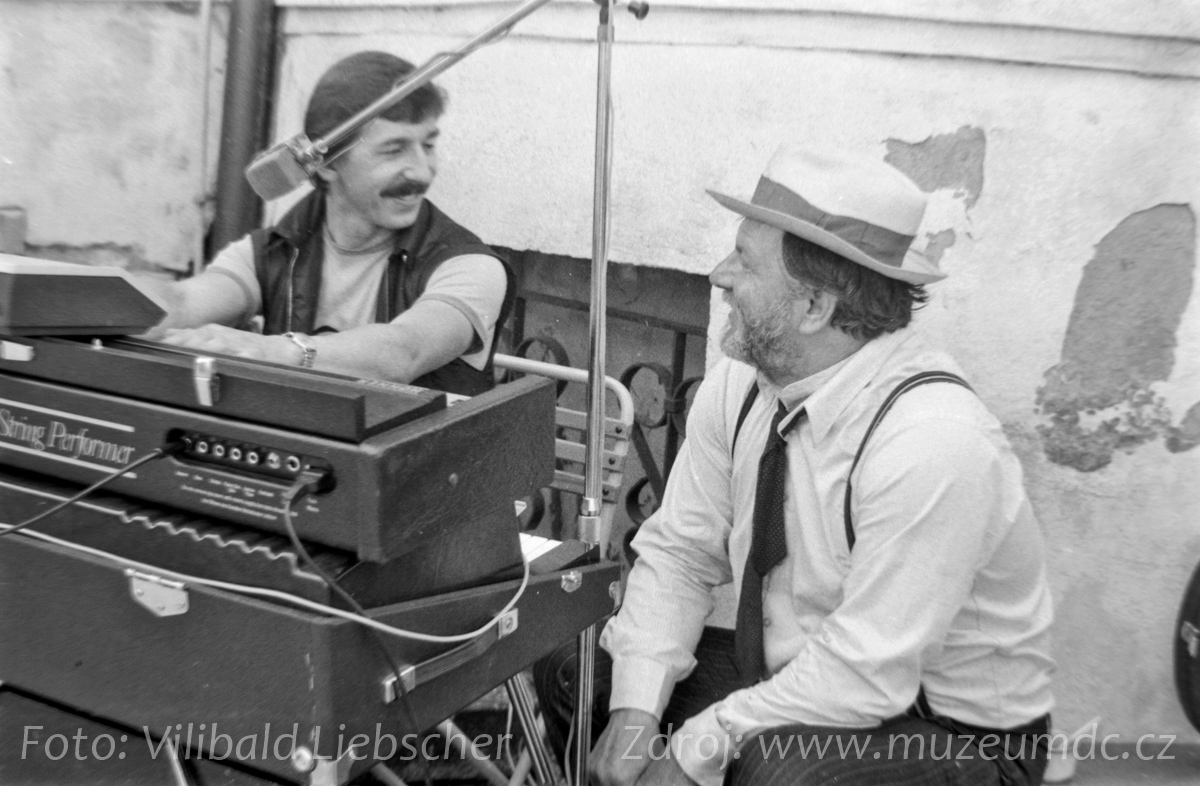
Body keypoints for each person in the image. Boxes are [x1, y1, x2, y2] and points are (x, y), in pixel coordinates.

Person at [585, 145, 1055, 786]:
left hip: (957, 737)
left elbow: (866, 674)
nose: (719, 275)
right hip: (797, 678)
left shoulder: (934, 441)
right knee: (584, 670)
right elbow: (682, 552)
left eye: (744, 261)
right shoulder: (741, 385)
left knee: (775, 770)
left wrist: (692, 751)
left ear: (814, 308)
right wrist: (635, 712)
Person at [145, 51, 512, 395]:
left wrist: (274, 350)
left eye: (428, 145)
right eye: (394, 150)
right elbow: (181, 302)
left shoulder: (470, 267)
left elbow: (405, 351)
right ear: (327, 164)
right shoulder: (271, 251)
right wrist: (97, 299)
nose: (422, 171)